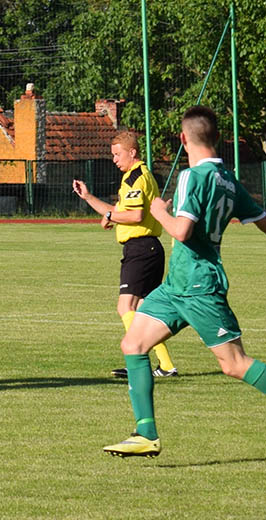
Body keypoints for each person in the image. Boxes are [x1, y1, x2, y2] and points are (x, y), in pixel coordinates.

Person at [103, 106, 266, 459]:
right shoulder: (228, 178)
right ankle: (146, 433)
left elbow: (181, 230)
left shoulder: (191, 177)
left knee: (234, 363)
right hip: (175, 285)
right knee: (133, 344)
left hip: (200, 286)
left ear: (183, 139)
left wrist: (159, 211)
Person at [73, 131, 178, 379]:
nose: (114, 159)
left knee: (125, 307)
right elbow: (116, 213)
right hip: (148, 249)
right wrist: (95, 203)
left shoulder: (135, 178)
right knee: (144, 310)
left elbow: (134, 216)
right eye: (112, 155)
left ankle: (137, 363)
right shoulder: (135, 177)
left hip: (141, 249)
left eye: (117, 154)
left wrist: (109, 214)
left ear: (132, 152)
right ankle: (166, 366)